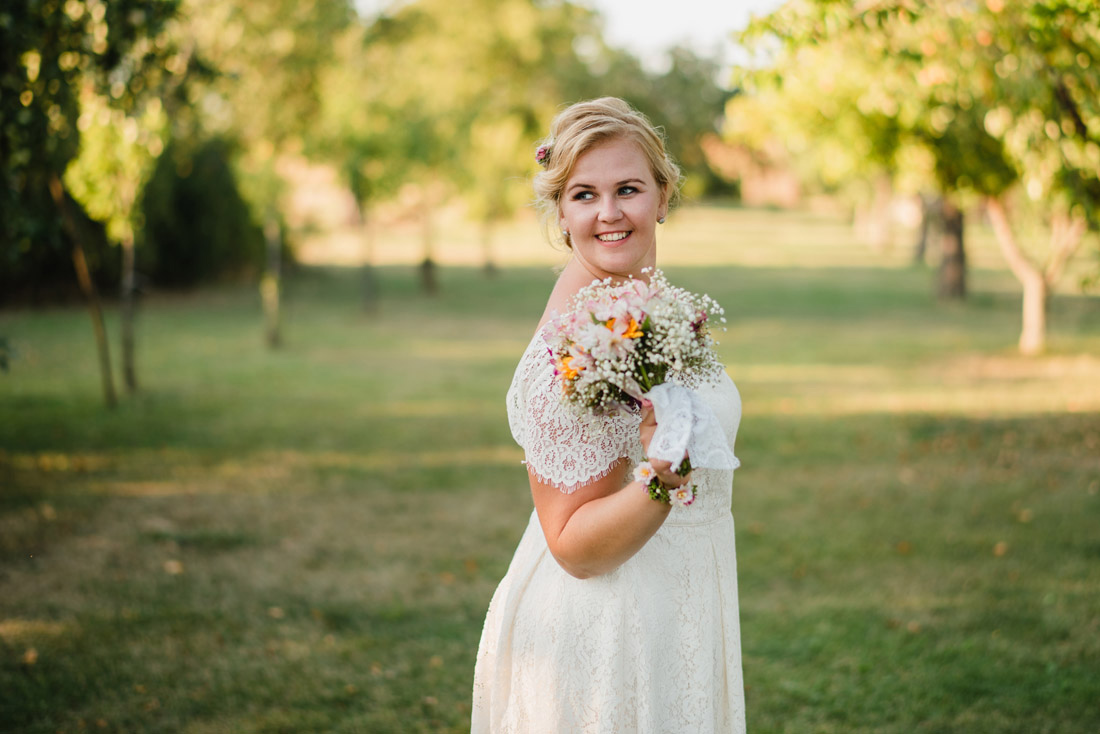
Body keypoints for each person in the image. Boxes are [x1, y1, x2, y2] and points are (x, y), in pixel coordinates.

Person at [472, 97, 745, 733]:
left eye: (628, 188)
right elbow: (572, 547)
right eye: (584, 195)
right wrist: (661, 480)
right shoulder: (571, 355)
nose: (610, 213)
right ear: (560, 212)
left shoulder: (638, 304)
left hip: (679, 611)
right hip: (609, 642)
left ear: (663, 194)